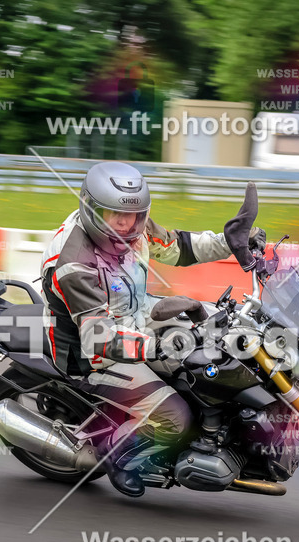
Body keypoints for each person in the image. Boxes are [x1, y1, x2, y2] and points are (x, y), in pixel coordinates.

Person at [40, 161, 264, 497]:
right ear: (90, 209)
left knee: (216, 344)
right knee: (176, 418)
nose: (126, 224)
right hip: (91, 355)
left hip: (135, 317)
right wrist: (158, 346)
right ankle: (119, 457)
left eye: (134, 215)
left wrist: (229, 242)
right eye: (113, 214)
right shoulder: (75, 263)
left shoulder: (134, 225)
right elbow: (98, 338)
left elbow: (176, 248)